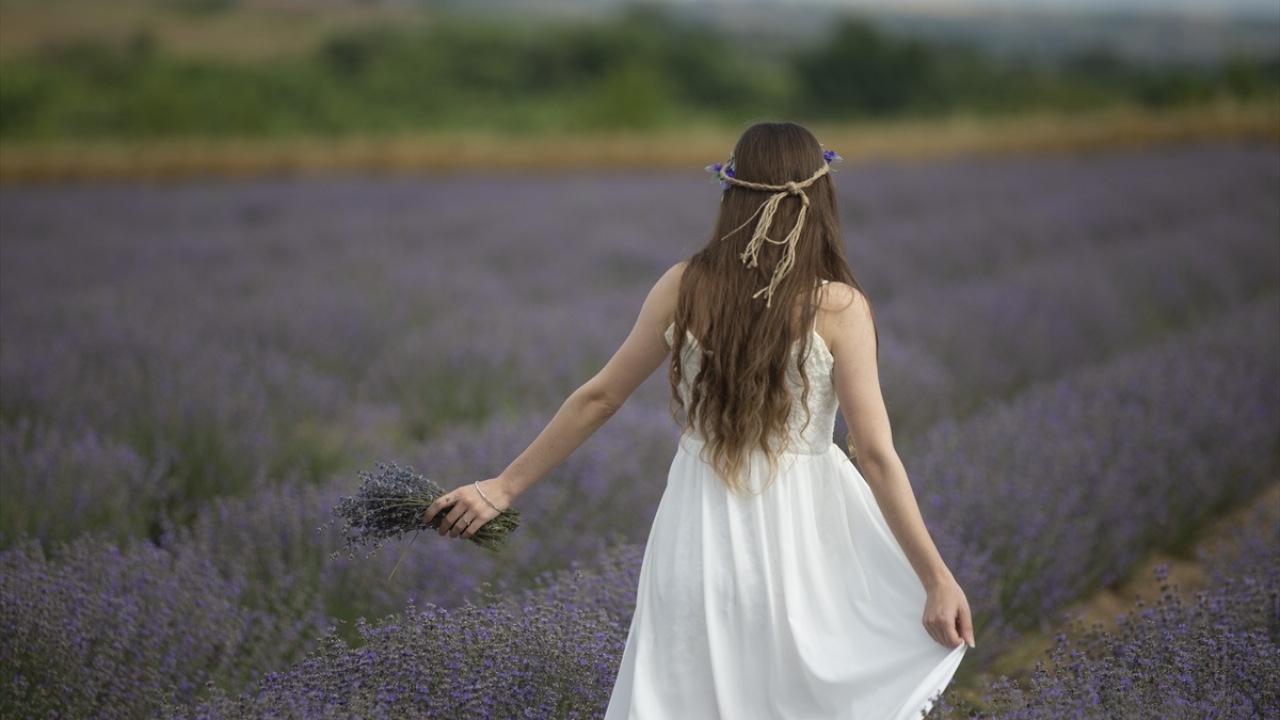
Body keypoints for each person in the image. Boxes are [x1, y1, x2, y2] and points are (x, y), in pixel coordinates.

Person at [425, 121, 973, 720]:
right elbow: (874, 454)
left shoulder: (684, 286)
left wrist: (502, 487)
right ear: (819, 199)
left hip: (697, 531)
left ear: (731, 191)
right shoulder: (838, 306)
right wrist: (937, 578)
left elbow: (600, 397)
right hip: (807, 540)